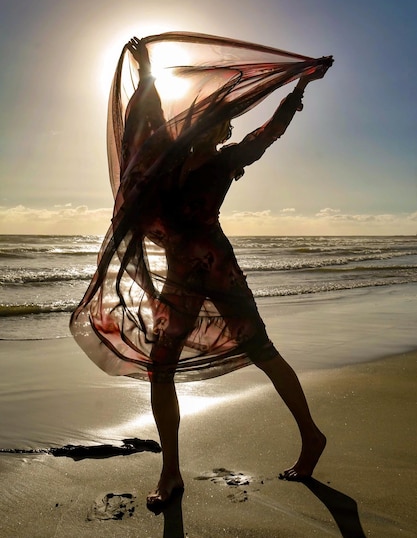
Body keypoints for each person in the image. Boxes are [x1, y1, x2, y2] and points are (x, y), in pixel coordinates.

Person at [70, 33, 332, 509]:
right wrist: (145, 67)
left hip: (217, 271)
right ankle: (170, 473)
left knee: (263, 351)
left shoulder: (228, 160)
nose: (211, 128)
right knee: (161, 369)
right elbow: (142, 119)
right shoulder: (162, 160)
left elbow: (268, 133)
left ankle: (312, 436)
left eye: (219, 125)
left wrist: (298, 92)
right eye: (207, 120)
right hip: (182, 279)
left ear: (222, 133)